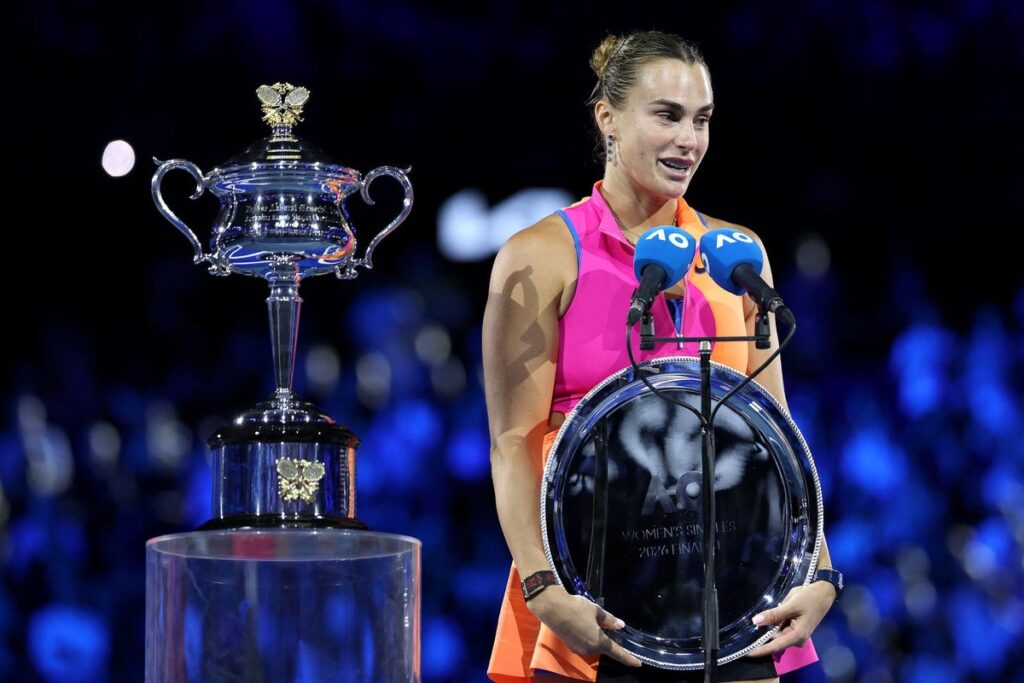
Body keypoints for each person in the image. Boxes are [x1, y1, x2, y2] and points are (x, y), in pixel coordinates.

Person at [483, 31, 840, 683]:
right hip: (588, 603)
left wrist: (818, 570)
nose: (689, 139)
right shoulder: (540, 255)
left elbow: (777, 435)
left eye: (701, 119)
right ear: (607, 118)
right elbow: (513, 440)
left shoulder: (738, 259)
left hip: (732, 602)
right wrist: (544, 588)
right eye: (668, 115)